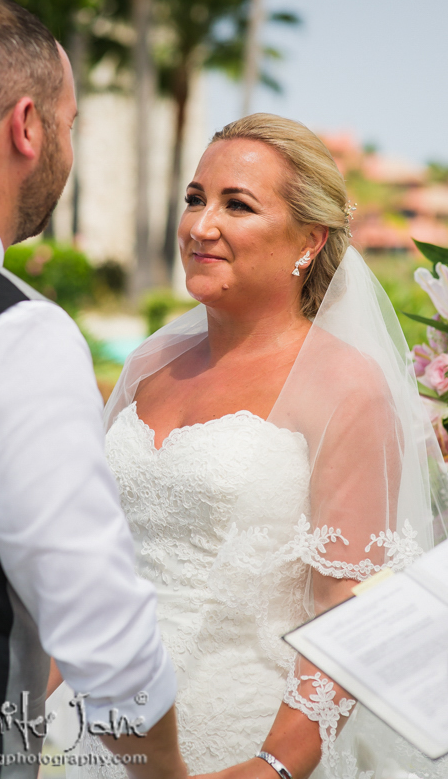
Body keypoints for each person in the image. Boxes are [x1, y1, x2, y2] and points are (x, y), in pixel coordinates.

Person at [93, 114, 448, 779]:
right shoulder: (148, 365)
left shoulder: (346, 384)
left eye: (237, 205)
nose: (201, 226)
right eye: (195, 198)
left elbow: (348, 605)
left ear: (308, 241)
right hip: (108, 732)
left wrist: (275, 765)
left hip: (244, 735)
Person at [0, 0, 186, 779]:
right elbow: (101, 631)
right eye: (69, 125)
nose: (66, 147)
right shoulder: (11, 330)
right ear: (27, 127)